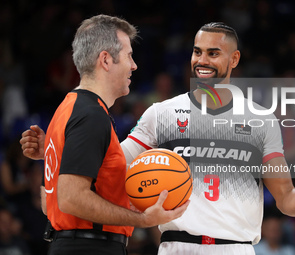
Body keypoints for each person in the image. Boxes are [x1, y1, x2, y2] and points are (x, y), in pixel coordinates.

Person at [21, 22, 295, 255]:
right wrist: (59, 150)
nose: (202, 60)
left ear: (234, 59)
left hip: (236, 247)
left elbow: (286, 198)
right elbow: (109, 165)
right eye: (197, 52)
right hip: (176, 247)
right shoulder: (161, 113)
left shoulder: (262, 120)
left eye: (213, 53)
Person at [20, 14, 188, 255]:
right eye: (129, 55)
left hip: (72, 244)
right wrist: (142, 220)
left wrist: (52, 156)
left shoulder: (67, 109)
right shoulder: (90, 115)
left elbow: (51, 205)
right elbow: (70, 199)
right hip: (91, 247)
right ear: (106, 60)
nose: (134, 65)